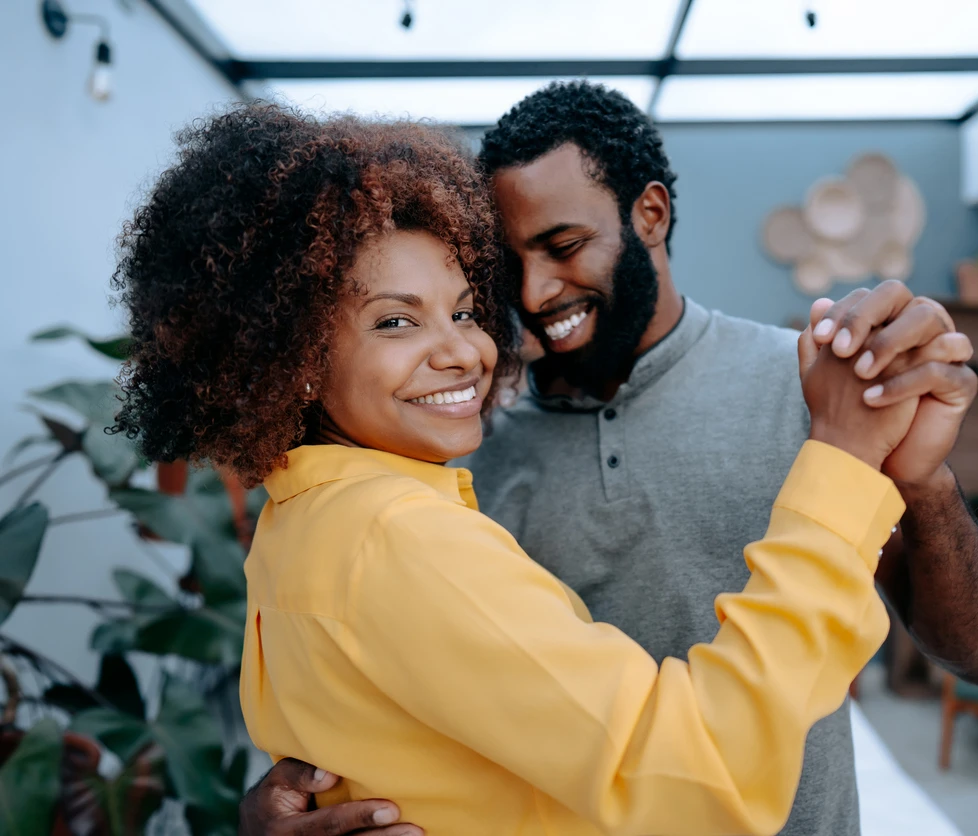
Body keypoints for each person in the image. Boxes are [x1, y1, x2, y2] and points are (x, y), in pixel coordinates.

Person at [112, 103, 919, 836]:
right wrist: (846, 458)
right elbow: (705, 772)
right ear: (294, 357)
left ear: (653, 215)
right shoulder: (397, 536)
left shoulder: (297, 524)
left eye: (465, 309)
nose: (464, 348)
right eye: (396, 320)